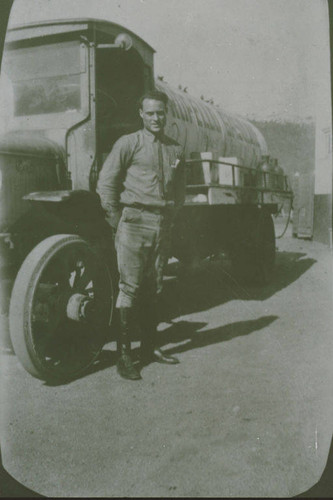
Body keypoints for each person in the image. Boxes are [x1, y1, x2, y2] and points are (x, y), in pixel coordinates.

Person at [96, 90, 186, 380]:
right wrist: (115, 218)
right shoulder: (128, 143)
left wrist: (171, 215)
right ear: (141, 114)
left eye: (160, 112)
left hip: (162, 223)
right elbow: (106, 182)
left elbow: (181, 189)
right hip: (134, 222)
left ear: (166, 113)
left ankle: (149, 348)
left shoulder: (175, 149)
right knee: (130, 288)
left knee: (155, 286)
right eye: (150, 113)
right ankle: (124, 355)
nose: (156, 118)